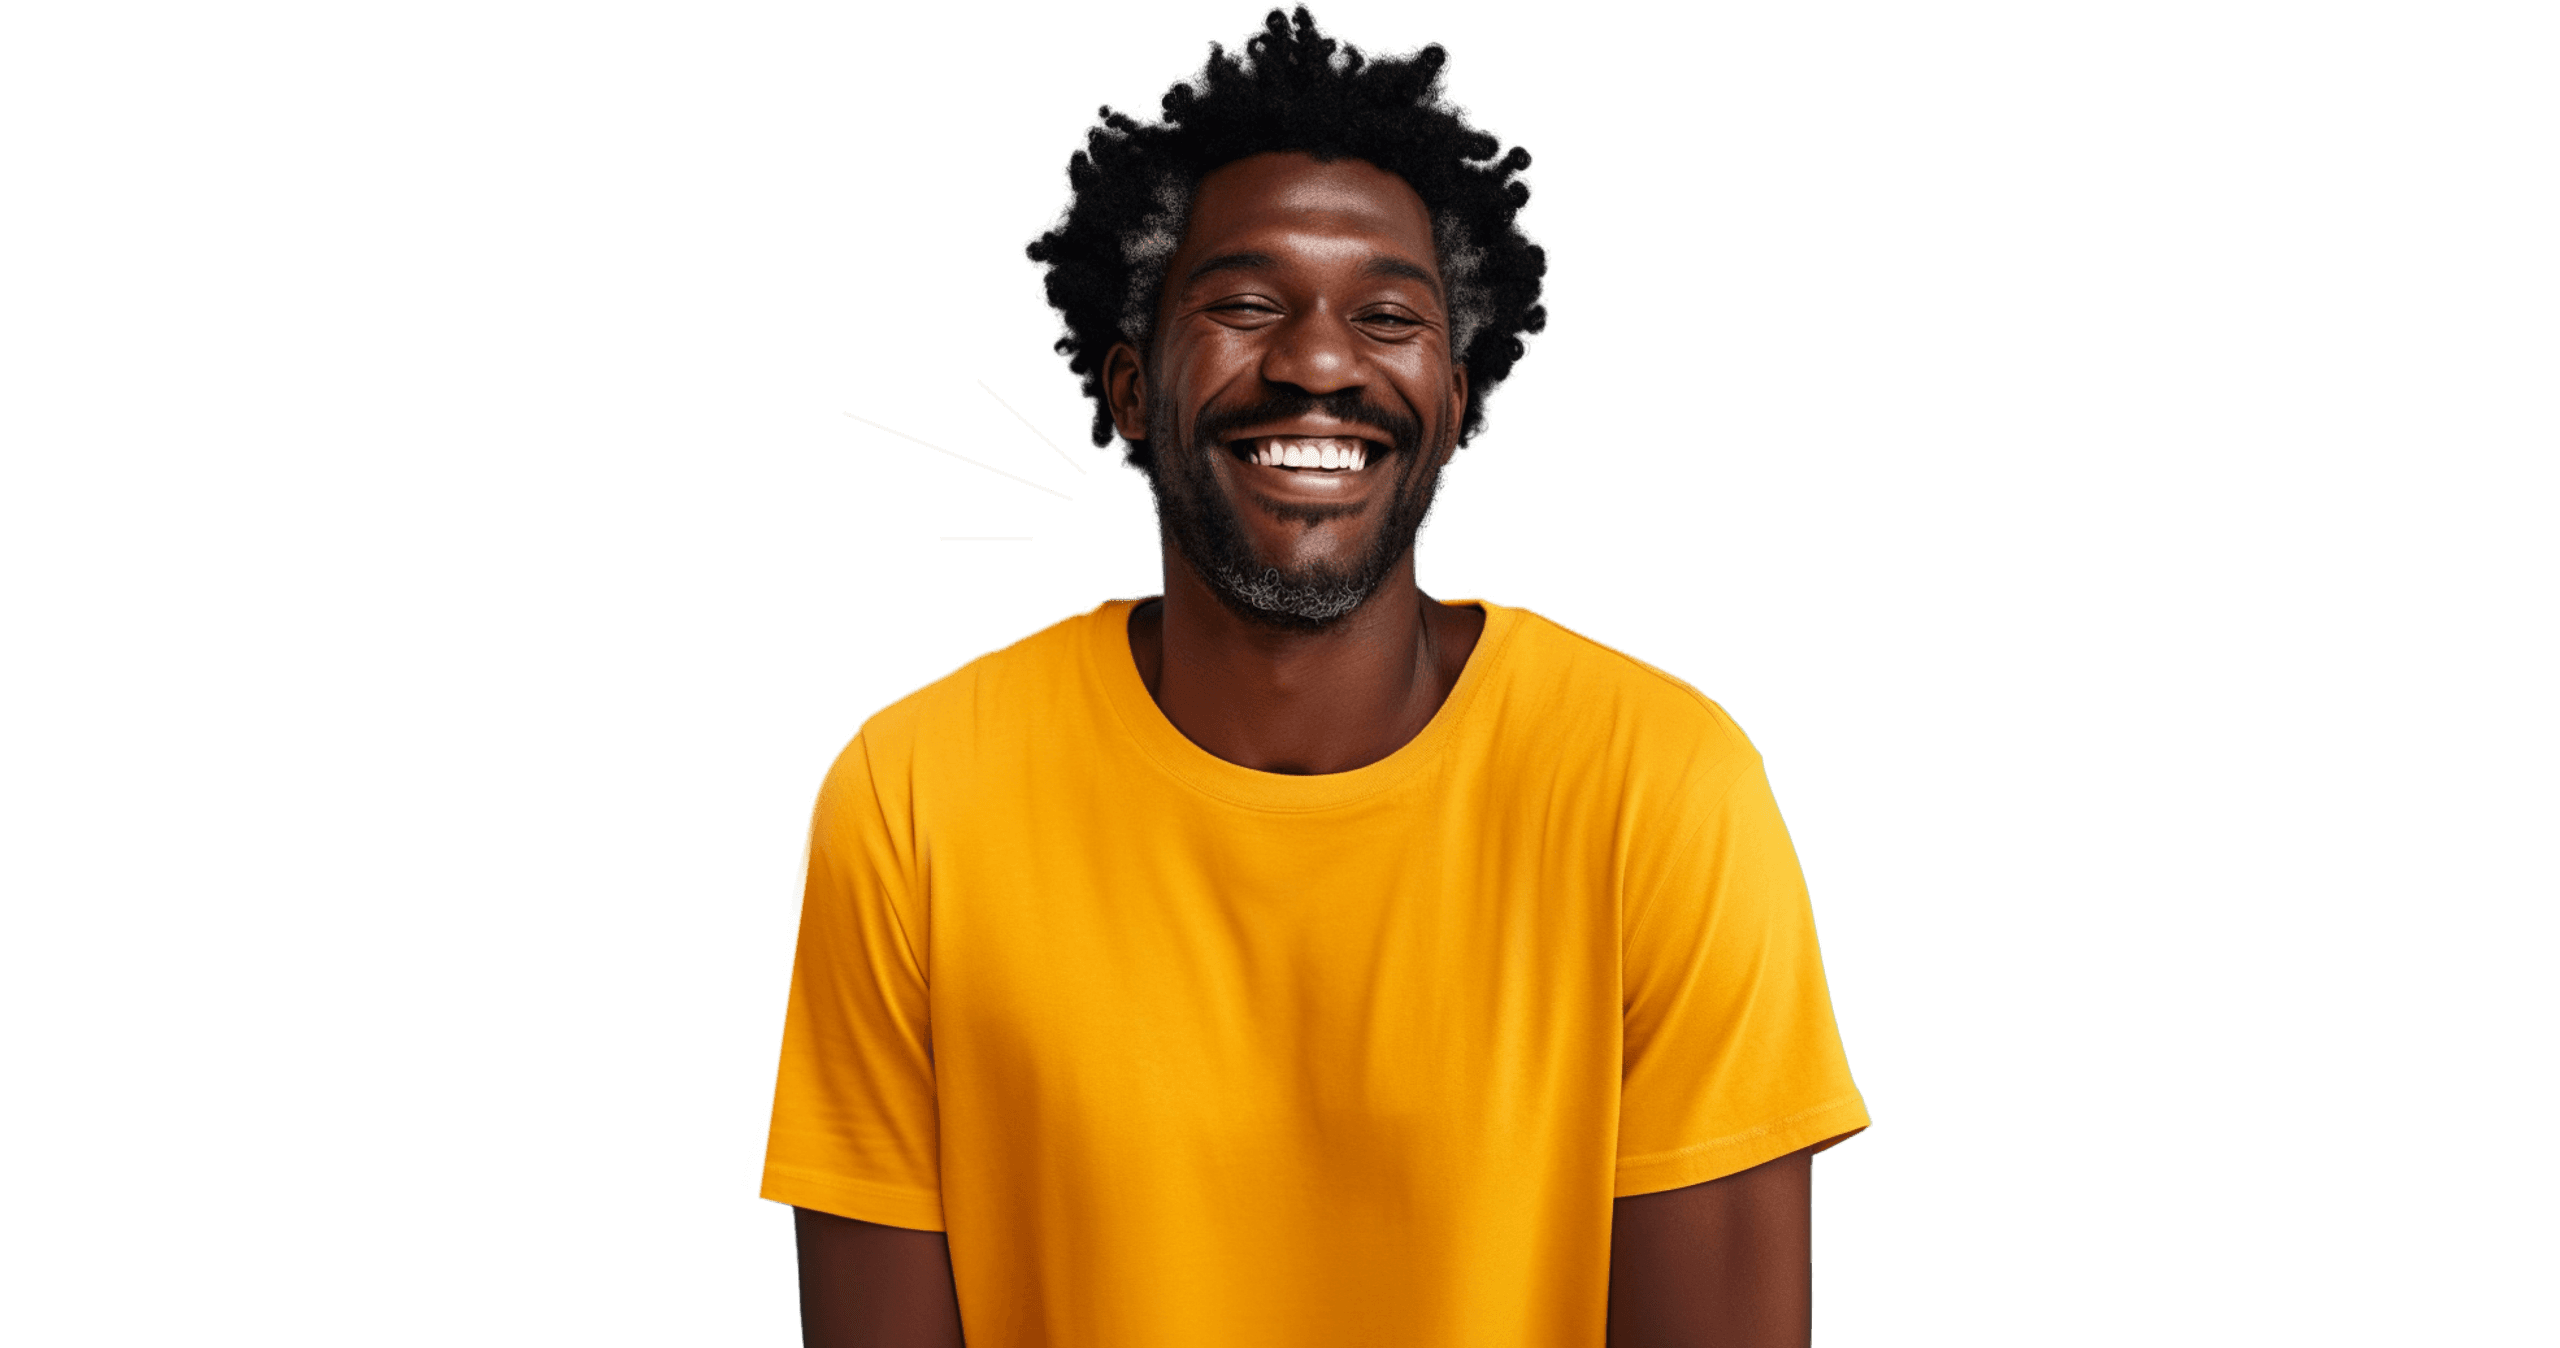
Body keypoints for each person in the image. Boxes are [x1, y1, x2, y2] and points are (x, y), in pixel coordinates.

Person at [758, 7, 1870, 1344]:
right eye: (1244, 303)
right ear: (1127, 387)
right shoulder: (912, 797)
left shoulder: (1664, 789)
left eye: (1387, 314)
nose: (1320, 361)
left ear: (1456, 400)